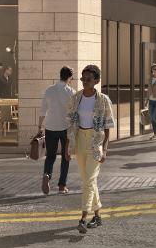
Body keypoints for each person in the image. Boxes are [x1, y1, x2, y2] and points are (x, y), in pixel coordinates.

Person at [70, 64, 114, 235]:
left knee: (88, 180)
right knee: (88, 179)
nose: (85, 82)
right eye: (83, 79)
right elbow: (71, 121)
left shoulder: (103, 100)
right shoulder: (76, 98)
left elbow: (109, 125)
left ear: (96, 80)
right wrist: (68, 144)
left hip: (96, 142)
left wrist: (105, 148)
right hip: (80, 140)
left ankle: (83, 217)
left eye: (88, 79)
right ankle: (97, 215)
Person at [38, 64, 77, 194]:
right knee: (66, 156)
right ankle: (62, 186)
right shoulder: (71, 92)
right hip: (65, 127)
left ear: (60, 75)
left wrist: (40, 127)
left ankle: (47, 175)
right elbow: (73, 113)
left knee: (50, 156)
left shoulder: (49, 90)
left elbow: (43, 110)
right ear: (70, 77)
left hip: (50, 127)